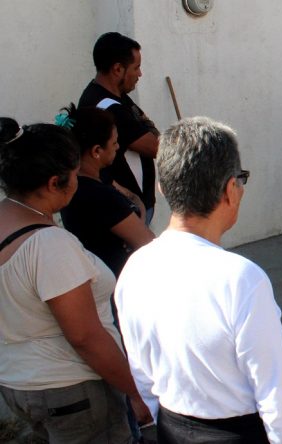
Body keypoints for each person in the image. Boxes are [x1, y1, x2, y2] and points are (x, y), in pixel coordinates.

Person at [114, 117, 282, 443]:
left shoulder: (134, 268)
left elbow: (143, 374)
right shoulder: (242, 279)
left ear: (162, 188)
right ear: (231, 190)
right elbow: (278, 395)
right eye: (241, 180)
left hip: (170, 427)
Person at [0, 118, 150, 442]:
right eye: (75, 173)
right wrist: (136, 392)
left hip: (18, 383)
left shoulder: (7, 220)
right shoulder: (49, 245)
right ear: (55, 182)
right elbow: (85, 337)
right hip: (70, 391)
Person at [58, 105, 154, 277]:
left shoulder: (94, 178)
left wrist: (137, 219)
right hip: (120, 277)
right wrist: (137, 223)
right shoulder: (98, 195)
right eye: (114, 142)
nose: (118, 147)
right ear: (96, 151)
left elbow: (133, 197)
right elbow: (149, 244)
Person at [78, 32, 159, 224]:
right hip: (126, 207)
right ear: (117, 69)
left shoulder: (114, 96)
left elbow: (147, 126)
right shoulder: (107, 108)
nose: (140, 74)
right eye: (136, 67)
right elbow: (156, 147)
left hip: (134, 204)